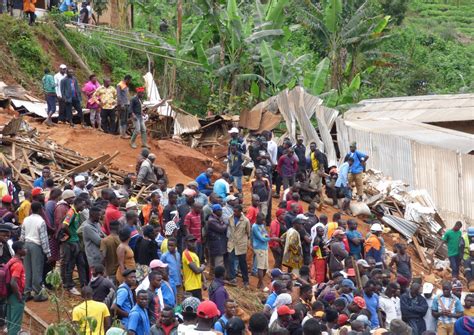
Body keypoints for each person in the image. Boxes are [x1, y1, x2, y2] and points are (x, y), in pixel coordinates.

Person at [20, 202, 50, 302]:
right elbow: (44, 239)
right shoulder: (41, 221)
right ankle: (38, 294)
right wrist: (48, 253)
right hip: (36, 246)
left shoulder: (26, 219)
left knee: (27, 270)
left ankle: (27, 292)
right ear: (40, 209)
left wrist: (21, 248)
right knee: (37, 270)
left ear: (32, 209)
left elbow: (22, 235)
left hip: (26, 246)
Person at [61, 196, 87, 295]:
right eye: (83, 204)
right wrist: (71, 235)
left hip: (75, 241)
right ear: (78, 204)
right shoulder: (71, 213)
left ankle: (79, 284)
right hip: (71, 242)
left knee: (78, 262)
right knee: (70, 264)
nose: (84, 207)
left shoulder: (76, 213)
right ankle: (69, 285)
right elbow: (64, 226)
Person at [5, 241, 26, 335]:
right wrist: (19, 297)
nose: (26, 249)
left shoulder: (11, 260)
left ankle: (10, 332)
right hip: (15, 294)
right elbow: (13, 282)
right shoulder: (18, 264)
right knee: (16, 321)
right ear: (19, 250)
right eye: (24, 248)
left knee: (10, 317)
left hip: (9, 294)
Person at [227, 204, 251, 286]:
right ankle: (232, 278)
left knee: (242, 262)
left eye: (236, 212)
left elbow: (248, 233)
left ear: (240, 212)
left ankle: (246, 280)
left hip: (241, 244)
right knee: (230, 260)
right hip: (232, 243)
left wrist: (247, 243)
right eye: (234, 211)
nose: (234, 213)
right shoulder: (230, 218)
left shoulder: (246, 221)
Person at [252, 213, 277, 289]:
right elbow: (262, 238)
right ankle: (261, 284)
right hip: (259, 248)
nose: (263, 221)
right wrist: (272, 239)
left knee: (265, 267)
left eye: (263, 220)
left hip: (264, 247)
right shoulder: (254, 227)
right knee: (260, 267)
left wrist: (268, 237)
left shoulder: (262, 225)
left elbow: (265, 235)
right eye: (262, 220)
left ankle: (259, 283)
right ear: (257, 218)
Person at [182, 235, 205, 299]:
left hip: (196, 285)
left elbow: (198, 268)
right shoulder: (187, 254)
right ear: (186, 243)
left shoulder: (193, 253)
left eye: (194, 241)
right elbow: (197, 270)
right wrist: (203, 267)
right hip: (191, 287)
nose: (193, 243)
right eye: (190, 241)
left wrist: (204, 281)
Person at [82, 206, 105, 272]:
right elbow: (99, 241)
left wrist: (101, 236)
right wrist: (101, 236)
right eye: (98, 215)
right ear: (92, 215)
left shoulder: (97, 223)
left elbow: (104, 236)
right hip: (94, 257)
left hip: (100, 256)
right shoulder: (87, 227)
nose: (100, 217)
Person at [207, 204, 228, 269]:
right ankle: (218, 278)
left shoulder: (218, 218)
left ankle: (216, 276)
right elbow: (221, 229)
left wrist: (223, 224)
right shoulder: (212, 220)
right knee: (219, 263)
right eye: (220, 210)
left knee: (219, 262)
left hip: (220, 243)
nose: (221, 212)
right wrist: (226, 224)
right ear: (216, 211)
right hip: (217, 244)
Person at [117, 74, 132, 139]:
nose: (130, 82)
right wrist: (121, 105)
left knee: (125, 119)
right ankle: (122, 134)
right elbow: (119, 95)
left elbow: (126, 96)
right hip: (123, 105)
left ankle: (124, 133)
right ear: (127, 79)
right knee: (123, 119)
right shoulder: (119, 85)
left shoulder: (125, 85)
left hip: (126, 104)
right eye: (129, 80)